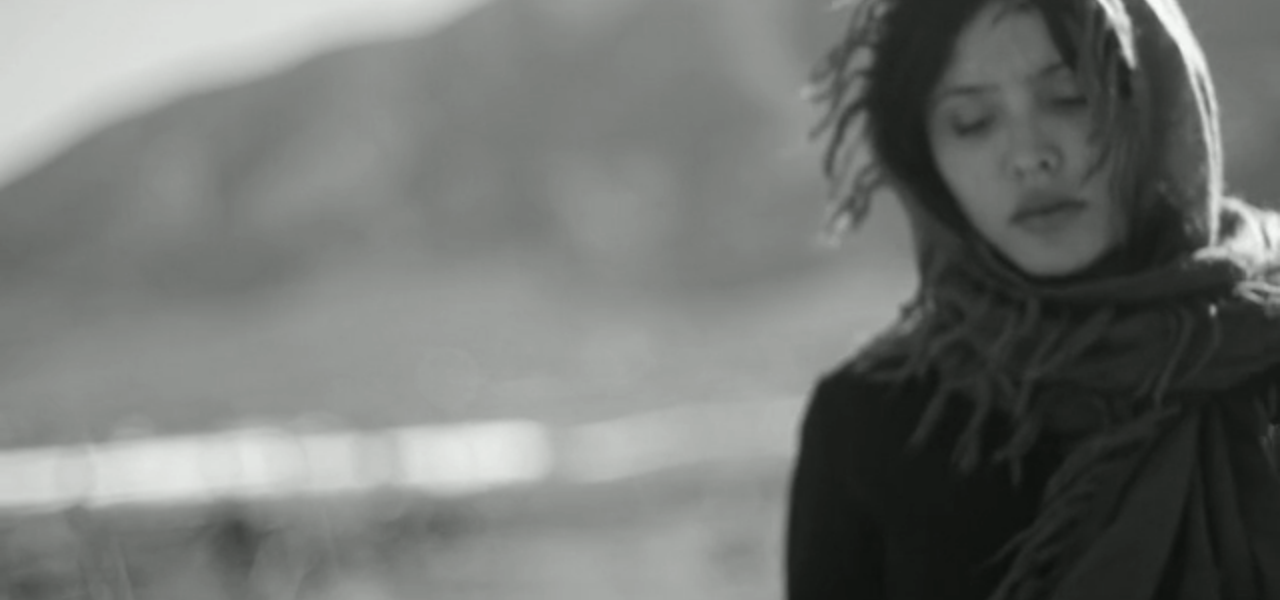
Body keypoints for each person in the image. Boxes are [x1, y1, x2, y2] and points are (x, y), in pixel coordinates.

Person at [786, 0, 1280, 598]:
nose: (1029, 156)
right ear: (924, 160)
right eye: (972, 121)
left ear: (1156, 102)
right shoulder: (869, 425)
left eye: (1070, 97)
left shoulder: (1265, 355)